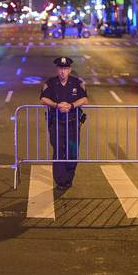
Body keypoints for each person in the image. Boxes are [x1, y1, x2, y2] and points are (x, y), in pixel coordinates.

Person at [40, 57, 89, 190]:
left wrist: (71, 105)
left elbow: (85, 99)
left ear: (69, 70)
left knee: (72, 152)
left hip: (73, 123)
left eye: (65, 69)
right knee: (59, 151)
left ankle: (69, 177)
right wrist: (56, 105)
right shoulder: (51, 83)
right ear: (57, 69)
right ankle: (60, 180)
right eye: (61, 69)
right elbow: (43, 99)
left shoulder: (77, 83)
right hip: (56, 123)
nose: (63, 72)